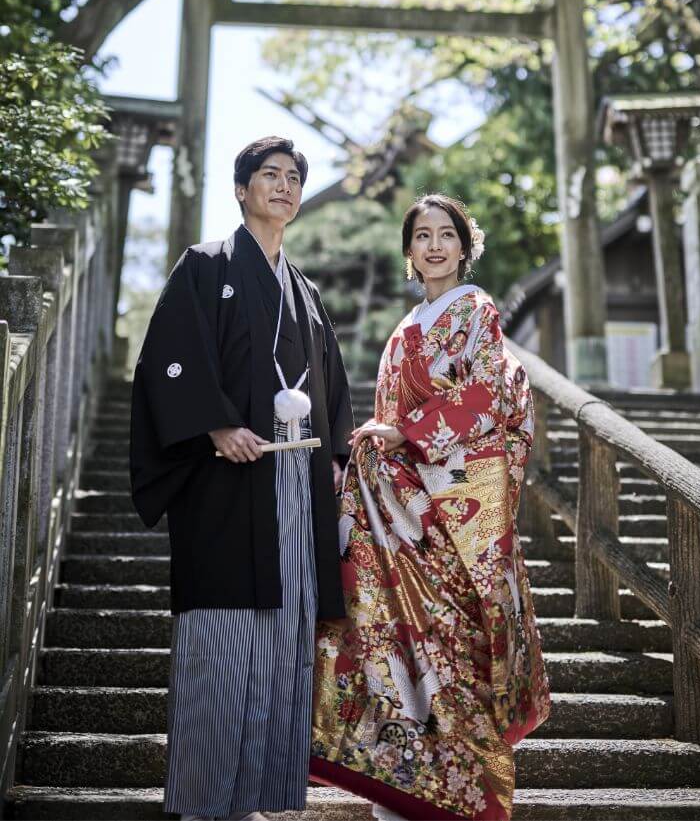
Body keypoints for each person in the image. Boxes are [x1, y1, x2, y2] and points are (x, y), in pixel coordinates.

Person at [129, 136, 352, 821]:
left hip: (295, 482)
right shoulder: (206, 266)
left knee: (283, 634)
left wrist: (337, 461)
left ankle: (253, 796)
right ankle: (202, 799)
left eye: (292, 177)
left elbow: (335, 390)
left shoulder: (305, 291)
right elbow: (169, 360)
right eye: (268, 174)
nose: (282, 185)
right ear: (241, 189)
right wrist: (216, 426)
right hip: (227, 481)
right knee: (224, 639)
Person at [311, 194, 550, 821]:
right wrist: (384, 442)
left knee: (456, 644)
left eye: (448, 235)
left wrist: (406, 434)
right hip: (398, 510)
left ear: (465, 249)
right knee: (393, 638)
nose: (435, 246)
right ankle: (407, 776)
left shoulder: (475, 309)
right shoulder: (402, 329)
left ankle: (466, 786)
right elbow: (390, 416)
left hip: (449, 511)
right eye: (423, 235)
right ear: (409, 250)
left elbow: (489, 392)